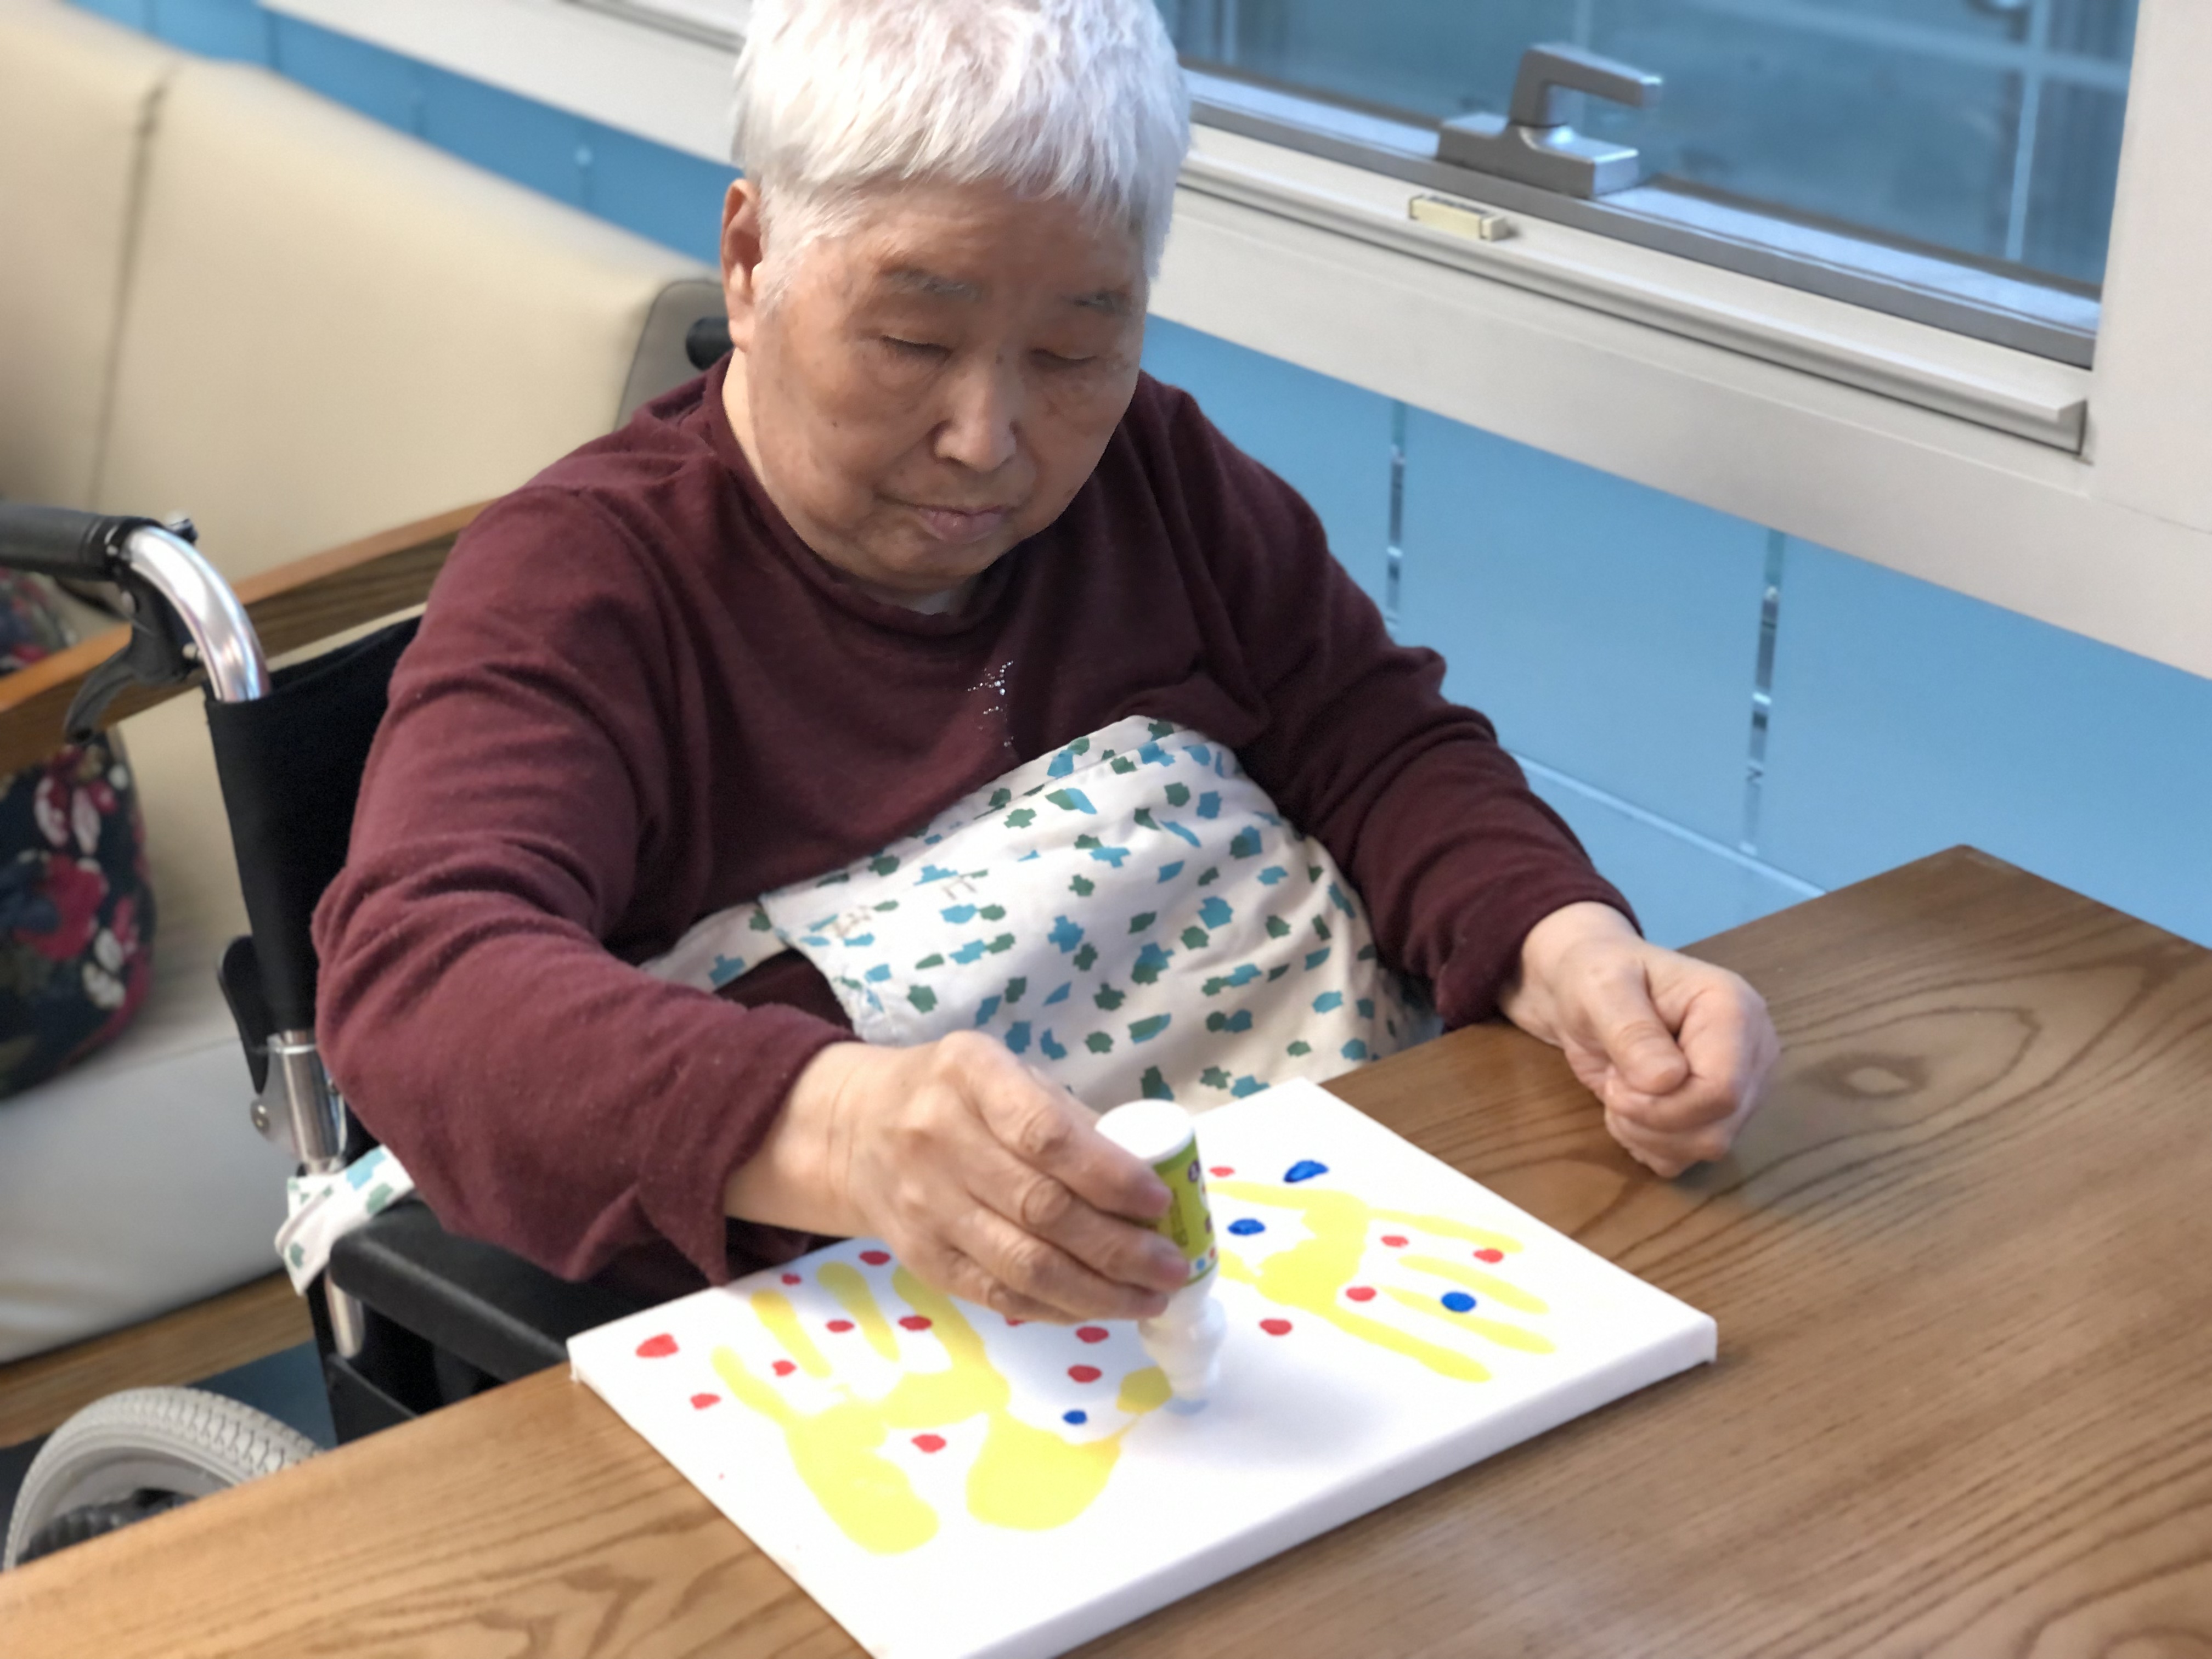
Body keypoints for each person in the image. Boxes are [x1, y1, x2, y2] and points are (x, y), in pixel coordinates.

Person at [314, 0, 1779, 1329]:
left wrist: (1568, 948)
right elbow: (425, 981)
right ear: (751, 265)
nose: (988, 440)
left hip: (1251, 1264)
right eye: (911, 337)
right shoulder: (584, 584)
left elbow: (1376, 742)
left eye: (1077, 355)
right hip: (837, 1334)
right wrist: (839, 1124)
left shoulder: (1160, 481)